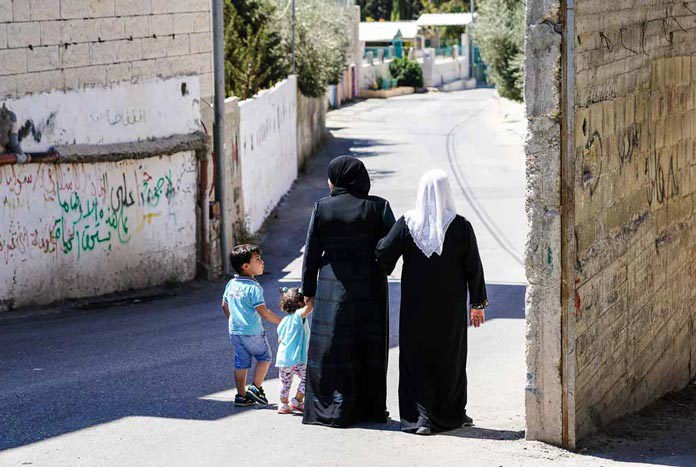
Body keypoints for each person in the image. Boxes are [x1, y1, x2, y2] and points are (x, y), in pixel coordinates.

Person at [376, 169, 488, 435]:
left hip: (415, 306)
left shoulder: (406, 223)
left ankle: (420, 418)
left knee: (416, 357)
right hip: (449, 309)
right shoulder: (460, 225)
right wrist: (478, 304)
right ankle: (451, 415)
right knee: (450, 357)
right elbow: (474, 267)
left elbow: (383, 251)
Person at [301, 155, 396, 427]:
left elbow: (311, 253)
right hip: (370, 288)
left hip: (332, 287)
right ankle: (369, 409)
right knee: (368, 346)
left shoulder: (322, 208)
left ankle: (332, 409)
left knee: (332, 347)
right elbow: (392, 243)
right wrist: (381, 264)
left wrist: (309, 291)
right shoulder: (378, 207)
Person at [221, 244, 282, 407]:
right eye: (258, 260)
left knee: (241, 363)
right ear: (245, 266)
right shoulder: (253, 287)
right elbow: (263, 312)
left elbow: (224, 305)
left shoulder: (231, 284)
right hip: (252, 331)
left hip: (235, 331)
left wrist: (232, 320)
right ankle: (256, 387)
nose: (262, 262)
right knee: (265, 357)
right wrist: (283, 322)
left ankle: (241, 396)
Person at [275, 287, 313, 415]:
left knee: (285, 382)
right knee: (307, 378)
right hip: (297, 358)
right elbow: (311, 306)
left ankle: (283, 404)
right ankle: (297, 401)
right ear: (300, 304)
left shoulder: (284, 321)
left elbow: (280, 339)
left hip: (284, 358)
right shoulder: (299, 316)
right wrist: (312, 294)